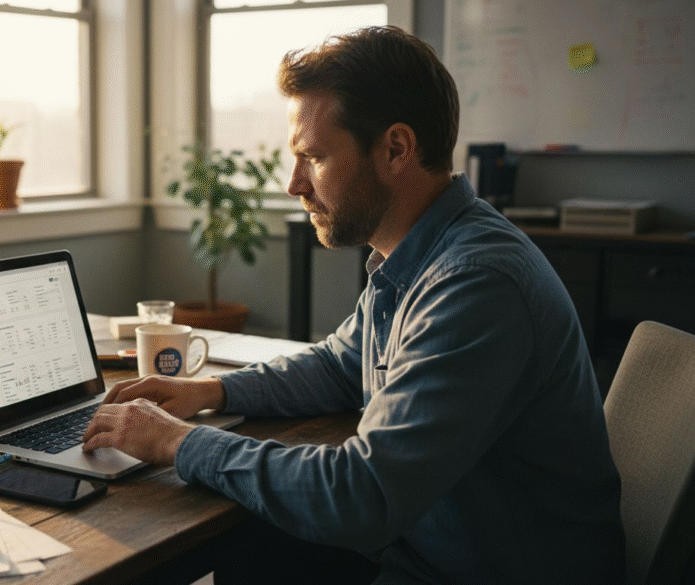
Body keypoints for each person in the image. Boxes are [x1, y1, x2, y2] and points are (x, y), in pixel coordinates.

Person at [83, 26, 624, 584]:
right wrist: (209, 391)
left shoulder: (474, 283)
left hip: (479, 572)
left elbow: (358, 497)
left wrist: (177, 440)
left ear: (396, 148)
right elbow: (339, 363)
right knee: (256, 545)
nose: (295, 185)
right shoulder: (418, 255)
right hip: (430, 550)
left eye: (313, 158)